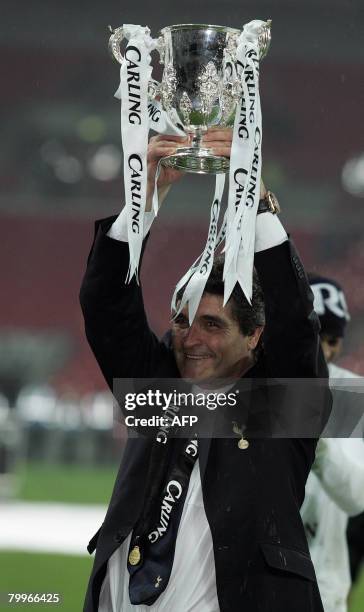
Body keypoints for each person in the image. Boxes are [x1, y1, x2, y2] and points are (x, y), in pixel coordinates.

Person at [80, 129, 330, 612]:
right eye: (181, 322)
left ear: (255, 335)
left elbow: (296, 323)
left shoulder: (281, 407)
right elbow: (105, 305)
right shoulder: (159, 389)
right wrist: (142, 202)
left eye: (212, 325)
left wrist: (254, 200)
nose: (191, 340)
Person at [301, 275, 364, 612]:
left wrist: (319, 444)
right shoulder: (253, 386)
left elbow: (357, 496)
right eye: (316, 336)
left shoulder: (352, 393)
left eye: (333, 339)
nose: (324, 350)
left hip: (322, 587)